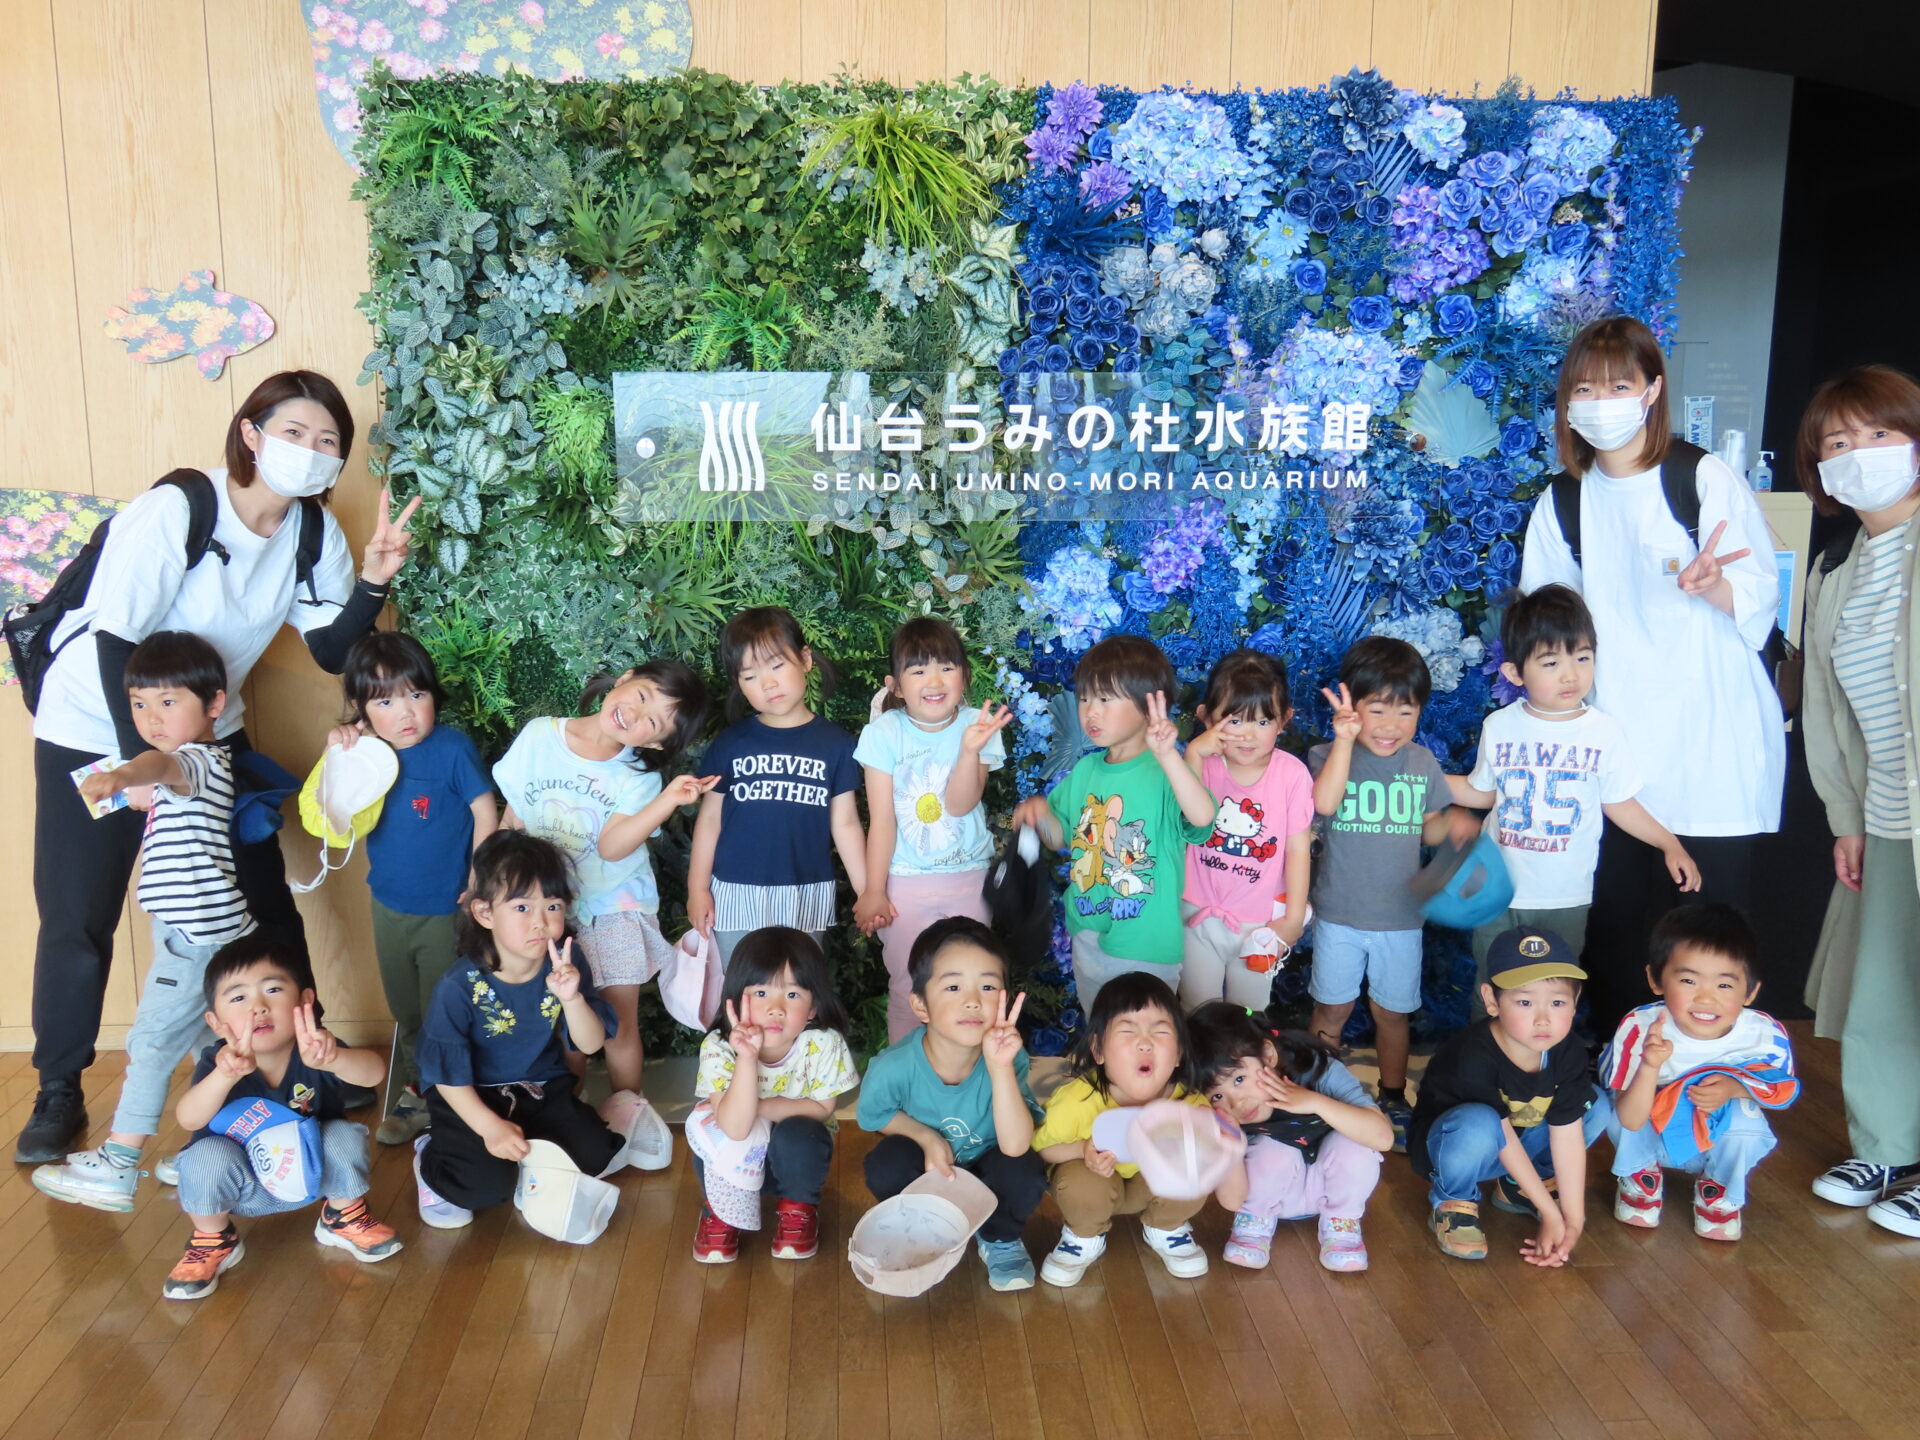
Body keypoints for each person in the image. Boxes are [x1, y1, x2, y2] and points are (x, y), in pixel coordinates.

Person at [21, 370, 418, 1163]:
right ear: (250, 434)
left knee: (263, 895)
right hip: (96, 726)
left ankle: (307, 1053)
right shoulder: (180, 508)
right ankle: (58, 1090)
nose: (310, 450)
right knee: (80, 914)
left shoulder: (310, 530)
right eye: (294, 432)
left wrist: (373, 579)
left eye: (328, 441)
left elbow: (330, 648)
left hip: (208, 731)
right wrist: (141, 763)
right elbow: (115, 642)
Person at [1519, 316, 1783, 1038]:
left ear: (1653, 390)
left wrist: (1715, 585)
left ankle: (1708, 1080)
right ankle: (1619, 1076)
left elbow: (1760, 597)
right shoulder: (1564, 500)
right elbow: (1547, 626)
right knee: (1615, 935)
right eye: (1584, 388)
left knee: (1707, 944)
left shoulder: (1699, 477)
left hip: (1710, 753)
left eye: (1619, 385)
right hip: (1616, 760)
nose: (1600, 401)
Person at [33, 633, 256, 1211]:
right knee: (215, 1044)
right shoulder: (188, 770)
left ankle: (118, 1162)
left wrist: (125, 773)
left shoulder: (194, 760)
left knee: (152, 1043)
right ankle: (225, 1142)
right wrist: (120, 786)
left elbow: (161, 764)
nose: (152, 718)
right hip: (206, 931)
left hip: (195, 938)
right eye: (138, 704)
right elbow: (149, 788)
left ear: (214, 705)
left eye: (168, 702)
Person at [1796, 363, 1920, 1235]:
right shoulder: (1836, 569)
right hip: (1887, 813)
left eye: (1880, 434)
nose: (1859, 454)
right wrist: (1846, 817)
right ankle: (1887, 1143)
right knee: (1885, 990)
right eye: (1838, 442)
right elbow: (1825, 712)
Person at [493, 660, 708, 1155]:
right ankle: (568, 1114)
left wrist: (668, 799)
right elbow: (513, 820)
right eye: (643, 696)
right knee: (564, 1019)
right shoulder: (539, 736)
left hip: (614, 907)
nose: (636, 715)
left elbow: (612, 847)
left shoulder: (637, 777)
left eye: (654, 722)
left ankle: (628, 1117)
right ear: (625, 678)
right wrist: (489, 888)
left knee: (617, 1021)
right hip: (547, 909)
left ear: (658, 745)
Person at [1448, 584, 1699, 983]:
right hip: (1495, 890)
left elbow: (1619, 802)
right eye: (1551, 663)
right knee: (1493, 987)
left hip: (1564, 897)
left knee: (1554, 990)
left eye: (1582, 657)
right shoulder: (1499, 726)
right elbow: (1484, 792)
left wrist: (1669, 843)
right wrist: (1422, 777)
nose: (1571, 674)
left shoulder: (1602, 732)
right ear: (1514, 672)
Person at [324, 632, 498, 1145]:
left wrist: (477, 883)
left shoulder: (452, 749)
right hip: (387, 905)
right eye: (384, 702)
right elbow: (330, 797)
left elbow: (485, 811)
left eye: (416, 695)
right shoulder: (364, 753)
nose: (405, 713)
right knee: (406, 1009)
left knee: (442, 1007)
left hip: (446, 909)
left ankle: (440, 1099)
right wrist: (338, 744)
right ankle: (419, 1085)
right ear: (361, 710)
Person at [162, 934, 400, 1300]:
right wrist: (224, 1076)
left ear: (305, 1000)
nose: (258, 1007)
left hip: (313, 1174)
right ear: (216, 1021)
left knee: (343, 1134)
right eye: (238, 998)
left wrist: (335, 1059)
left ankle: (342, 1216)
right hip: (243, 1186)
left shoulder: (316, 1049)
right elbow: (189, 1119)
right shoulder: (218, 1062)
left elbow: (373, 1075)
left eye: (272, 990)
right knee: (203, 1157)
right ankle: (213, 1238)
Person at [411, 831, 625, 1231]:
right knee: (483, 1188)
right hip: (469, 1096)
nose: (541, 922)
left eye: (553, 906)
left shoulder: (566, 960)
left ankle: (522, 1160)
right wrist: (488, 1127)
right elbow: (446, 1075)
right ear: (485, 914)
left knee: (595, 1155)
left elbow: (590, 1043)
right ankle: (429, 1154)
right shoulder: (458, 986)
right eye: (522, 907)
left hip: (538, 1089)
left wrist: (572, 999)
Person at [1009, 635, 1216, 1007]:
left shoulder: (1166, 771)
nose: (1091, 711)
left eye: (1105, 699)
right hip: (1087, 931)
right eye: (1085, 698)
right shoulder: (1085, 770)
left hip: (1145, 941)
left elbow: (1202, 817)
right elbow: (1062, 838)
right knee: (1100, 1028)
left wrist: (1168, 756)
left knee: (1142, 1033)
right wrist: (1040, 818)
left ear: (1150, 705)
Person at [1307, 637, 1457, 1146]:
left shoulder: (1422, 764)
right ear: (1351, 705)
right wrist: (1343, 741)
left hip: (1401, 919)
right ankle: (1317, 1090)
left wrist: (1456, 827)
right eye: (1377, 710)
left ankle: (1393, 1094)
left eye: (1406, 712)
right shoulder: (1326, 755)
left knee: (1392, 1013)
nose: (1391, 725)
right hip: (1339, 915)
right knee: (1332, 1010)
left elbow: (1430, 830)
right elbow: (1322, 806)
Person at [856, 916, 1045, 1292]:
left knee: (1024, 1170)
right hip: (931, 1173)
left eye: (987, 986)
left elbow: (1015, 1146)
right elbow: (873, 1115)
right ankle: (922, 1227)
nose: (973, 1001)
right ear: (921, 1005)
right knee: (886, 1163)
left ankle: (999, 1237)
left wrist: (1000, 1068)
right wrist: (925, 1136)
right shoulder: (894, 1067)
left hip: (990, 1165)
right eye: (954, 986)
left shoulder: (1008, 1057)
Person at [1407, 927, 1609, 1264]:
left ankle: (1521, 1187)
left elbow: (1568, 1133)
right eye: (1525, 1002)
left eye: (1557, 1002)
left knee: (1595, 1105)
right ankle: (1453, 1201)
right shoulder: (1473, 1056)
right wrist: (1551, 1214)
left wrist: (1573, 1220)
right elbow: (1503, 1139)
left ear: (1575, 1002)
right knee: (1479, 1122)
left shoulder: (1568, 1050)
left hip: (1516, 1145)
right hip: (1459, 1151)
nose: (1543, 1019)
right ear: (1491, 1001)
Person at [853, 616, 1011, 1041]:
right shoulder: (884, 733)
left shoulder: (977, 724)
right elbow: (882, 820)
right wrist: (873, 890)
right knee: (909, 986)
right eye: (918, 670)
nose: (934, 680)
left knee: (975, 985)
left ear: (965, 675)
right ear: (895, 685)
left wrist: (970, 750)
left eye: (946, 667)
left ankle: (975, 1070)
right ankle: (907, 1073)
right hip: (907, 885)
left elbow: (960, 805)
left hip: (969, 879)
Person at [1601, 903, 1796, 1242]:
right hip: (1652, 1132)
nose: (1706, 998)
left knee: (1748, 1119)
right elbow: (1629, 1119)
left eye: (1724, 986)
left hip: (1716, 1137)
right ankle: (1640, 1174)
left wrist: (1736, 1087)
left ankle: (1718, 1190)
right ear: (1655, 979)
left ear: (1750, 992)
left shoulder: (1765, 1035)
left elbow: (1781, 1092)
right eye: (1689, 980)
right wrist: (1650, 1066)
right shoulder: (1641, 1027)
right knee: (1609, 1106)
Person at [687, 607, 866, 965]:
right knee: (740, 989)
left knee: (799, 986)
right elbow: (709, 819)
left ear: (805, 660)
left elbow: (845, 823)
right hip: (735, 893)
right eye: (750, 676)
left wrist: (867, 892)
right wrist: (696, 888)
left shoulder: (837, 744)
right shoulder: (731, 743)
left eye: (777, 666)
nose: (767, 684)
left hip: (805, 890)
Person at [1032, 971, 1213, 1286]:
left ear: (1179, 1053)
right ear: (1098, 1050)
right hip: (1094, 1183)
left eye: (1160, 1031)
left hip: (1152, 1187)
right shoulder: (1077, 1100)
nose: (1144, 1042)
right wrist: (1082, 1150)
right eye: (1128, 1031)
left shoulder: (1189, 1104)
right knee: (1078, 1181)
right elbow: (1043, 1149)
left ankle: (1166, 1225)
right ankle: (1083, 1234)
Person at [690, 927, 857, 1263]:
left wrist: (758, 1106)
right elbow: (736, 1128)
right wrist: (747, 1058)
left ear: (813, 1007)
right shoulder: (719, 1047)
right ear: (736, 999)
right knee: (708, 1131)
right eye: (761, 993)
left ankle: (797, 1209)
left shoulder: (824, 1043)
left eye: (793, 995)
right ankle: (721, 1210)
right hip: (737, 1157)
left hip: (794, 1164)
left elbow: (822, 1108)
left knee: (801, 1132)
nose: (776, 1008)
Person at [1188, 1002, 1390, 1273]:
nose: (1238, 1102)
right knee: (1273, 1149)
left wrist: (1315, 1102)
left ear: (1268, 1054)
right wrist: (1231, 1150)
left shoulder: (1318, 1068)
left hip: (1329, 1188)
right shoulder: (1221, 1116)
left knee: (1355, 1144)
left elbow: (1382, 1138)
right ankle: (1252, 1226)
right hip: (1270, 1198)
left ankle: (1342, 1226)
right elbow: (1231, 1201)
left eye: (1239, 1079)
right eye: (1217, 1095)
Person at [1179, 649, 1314, 1012]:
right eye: (1234, 721)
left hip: (1261, 924)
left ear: (1284, 720)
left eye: (1263, 721)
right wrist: (1193, 754)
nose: (1248, 735)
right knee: (1196, 1009)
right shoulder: (1203, 764)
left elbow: (1297, 849)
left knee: (1249, 1010)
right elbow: (1183, 817)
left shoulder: (1291, 775)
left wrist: (1293, 919)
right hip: (1197, 912)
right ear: (1206, 717)